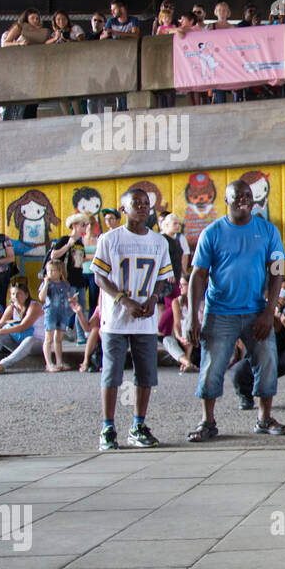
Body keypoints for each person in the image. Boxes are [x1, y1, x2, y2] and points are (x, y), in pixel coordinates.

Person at [185, 179, 285, 441]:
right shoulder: (212, 233)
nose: (243, 199)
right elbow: (198, 276)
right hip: (220, 311)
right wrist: (192, 315)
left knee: (267, 361)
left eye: (248, 195)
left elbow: (277, 272)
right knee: (212, 365)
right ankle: (207, 422)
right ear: (226, 200)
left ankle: (264, 418)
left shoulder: (268, 231)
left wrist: (269, 312)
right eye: (237, 196)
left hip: (257, 311)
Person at [91, 188, 174, 450]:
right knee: (112, 372)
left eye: (146, 203)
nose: (142, 207)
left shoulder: (159, 241)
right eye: (135, 203)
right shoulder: (110, 239)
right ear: (123, 208)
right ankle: (108, 427)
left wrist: (153, 299)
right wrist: (122, 299)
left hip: (145, 318)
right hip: (116, 317)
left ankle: (138, 425)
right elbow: (99, 276)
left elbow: (162, 277)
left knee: (146, 373)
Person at [0, 277, 44, 374]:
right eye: (13, 294)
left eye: (19, 294)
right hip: (18, 342)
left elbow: (22, 327)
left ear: (26, 295)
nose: (15, 297)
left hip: (37, 344)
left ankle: (2, 365)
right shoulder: (11, 307)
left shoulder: (34, 306)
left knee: (29, 340)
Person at [38, 258, 73, 371]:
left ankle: (59, 362)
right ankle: (49, 363)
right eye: (49, 271)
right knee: (49, 338)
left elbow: (68, 297)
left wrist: (72, 299)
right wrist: (46, 284)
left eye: (53, 271)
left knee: (58, 338)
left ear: (60, 272)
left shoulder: (65, 284)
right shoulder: (47, 284)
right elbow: (41, 297)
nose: (50, 273)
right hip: (51, 312)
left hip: (62, 312)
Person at [162, 272, 199, 371]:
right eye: (180, 285)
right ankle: (187, 362)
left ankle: (187, 362)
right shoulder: (176, 302)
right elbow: (177, 325)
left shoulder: (201, 300)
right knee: (167, 340)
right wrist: (180, 337)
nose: (180, 287)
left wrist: (193, 337)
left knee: (190, 326)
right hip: (183, 341)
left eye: (183, 285)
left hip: (197, 342)